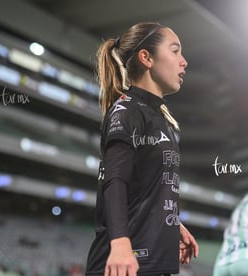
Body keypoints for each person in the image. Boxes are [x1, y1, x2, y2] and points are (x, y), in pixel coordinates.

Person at [85, 22, 199, 276]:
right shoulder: (127, 112)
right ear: (146, 57)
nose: (184, 62)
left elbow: (146, 188)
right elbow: (115, 180)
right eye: (175, 51)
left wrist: (172, 225)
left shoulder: (161, 120)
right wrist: (120, 242)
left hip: (152, 265)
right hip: (124, 264)